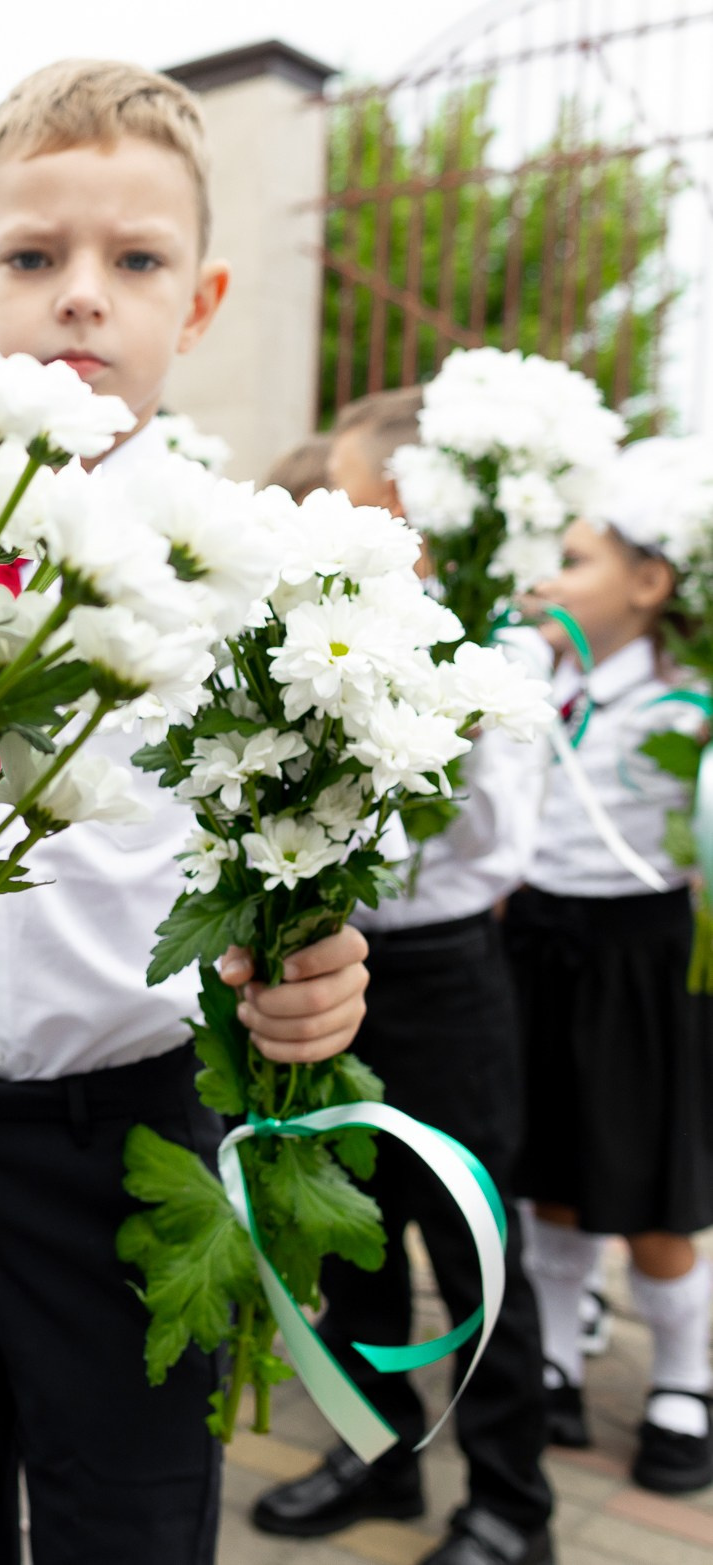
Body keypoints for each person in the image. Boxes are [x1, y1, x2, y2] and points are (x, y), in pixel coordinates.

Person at [0, 59, 375, 1565]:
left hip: (115, 1138)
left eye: (130, 263)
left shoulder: (246, 575)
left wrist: (316, 969)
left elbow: (296, 867)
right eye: (30, 258)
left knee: (121, 1524)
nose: (79, 298)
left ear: (194, 304)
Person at [247, 385, 556, 1565]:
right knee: (350, 1219)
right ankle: (375, 1454)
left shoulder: (485, 644)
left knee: (471, 1239)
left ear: (405, 509)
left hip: (436, 967)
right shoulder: (327, 625)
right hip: (325, 955)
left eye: (352, 488)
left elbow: (492, 850)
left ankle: (510, 1503)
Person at [510, 443, 713, 1496]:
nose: (546, 576)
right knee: (549, 1175)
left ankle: (684, 1372)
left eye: (575, 559)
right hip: (540, 948)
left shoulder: (688, 715)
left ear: (648, 583)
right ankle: (552, 1346)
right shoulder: (537, 687)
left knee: (649, 1194)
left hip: (639, 965)